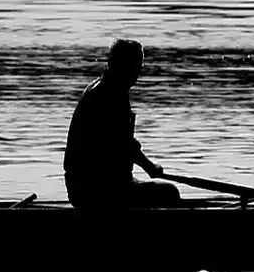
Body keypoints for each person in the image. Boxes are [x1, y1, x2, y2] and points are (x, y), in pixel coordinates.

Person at [63, 39, 183, 211]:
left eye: (139, 67)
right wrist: (150, 167)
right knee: (169, 193)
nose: (137, 73)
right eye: (134, 66)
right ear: (117, 64)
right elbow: (122, 144)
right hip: (94, 191)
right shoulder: (106, 95)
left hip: (106, 185)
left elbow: (122, 143)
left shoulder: (112, 89)